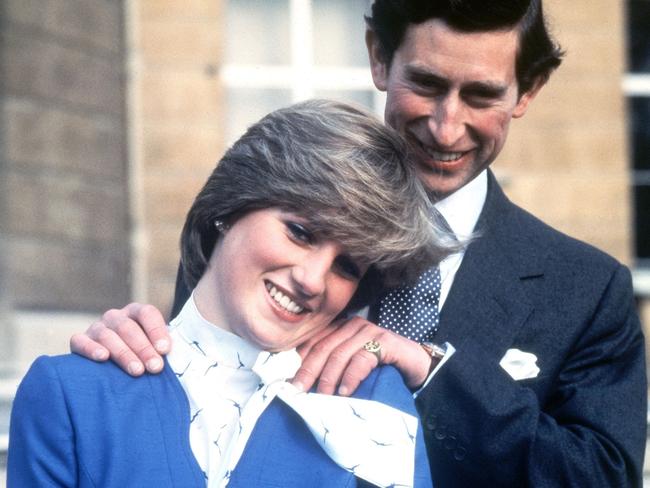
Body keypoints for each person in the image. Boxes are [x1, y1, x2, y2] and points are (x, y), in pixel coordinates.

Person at [70, 1, 648, 486]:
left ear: (528, 90)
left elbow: (601, 476)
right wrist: (133, 355)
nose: (446, 127)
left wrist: (433, 373)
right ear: (377, 56)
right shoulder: (262, 236)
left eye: (480, 96)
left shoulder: (587, 288)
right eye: (425, 84)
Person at [8, 100, 456, 487]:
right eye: (300, 232)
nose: (314, 280)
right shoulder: (72, 393)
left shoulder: (372, 399)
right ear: (231, 207)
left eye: (347, 266)